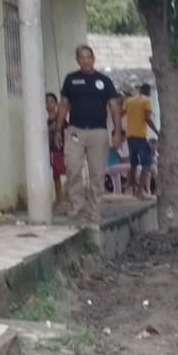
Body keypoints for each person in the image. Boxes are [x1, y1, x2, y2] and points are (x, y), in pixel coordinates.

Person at [56, 45, 123, 224]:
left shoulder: (104, 81)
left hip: (98, 132)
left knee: (97, 173)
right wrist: (58, 129)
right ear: (77, 60)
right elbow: (63, 105)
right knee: (73, 168)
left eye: (88, 57)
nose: (86, 60)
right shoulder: (71, 80)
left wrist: (117, 132)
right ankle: (77, 207)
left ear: (93, 59)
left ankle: (94, 210)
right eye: (82, 57)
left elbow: (115, 108)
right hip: (75, 131)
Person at [124, 82, 158, 196]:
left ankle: (134, 190)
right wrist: (157, 132)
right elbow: (147, 119)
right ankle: (140, 192)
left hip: (130, 136)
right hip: (140, 136)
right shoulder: (146, 101)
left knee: (133, 165)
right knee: (147, 164)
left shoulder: (129, 101)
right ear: (148, 92)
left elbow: (121, 113)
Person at [46, 93, 66, 203]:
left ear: (56, 104)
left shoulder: (60, 119)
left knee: (62, 172)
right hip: (49, 150)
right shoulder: (44, 120)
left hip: (60, 150)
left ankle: (64, 198)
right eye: (46, 102)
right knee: (55, 175)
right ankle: (59, 198)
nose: (49, 104)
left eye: (51, 101)